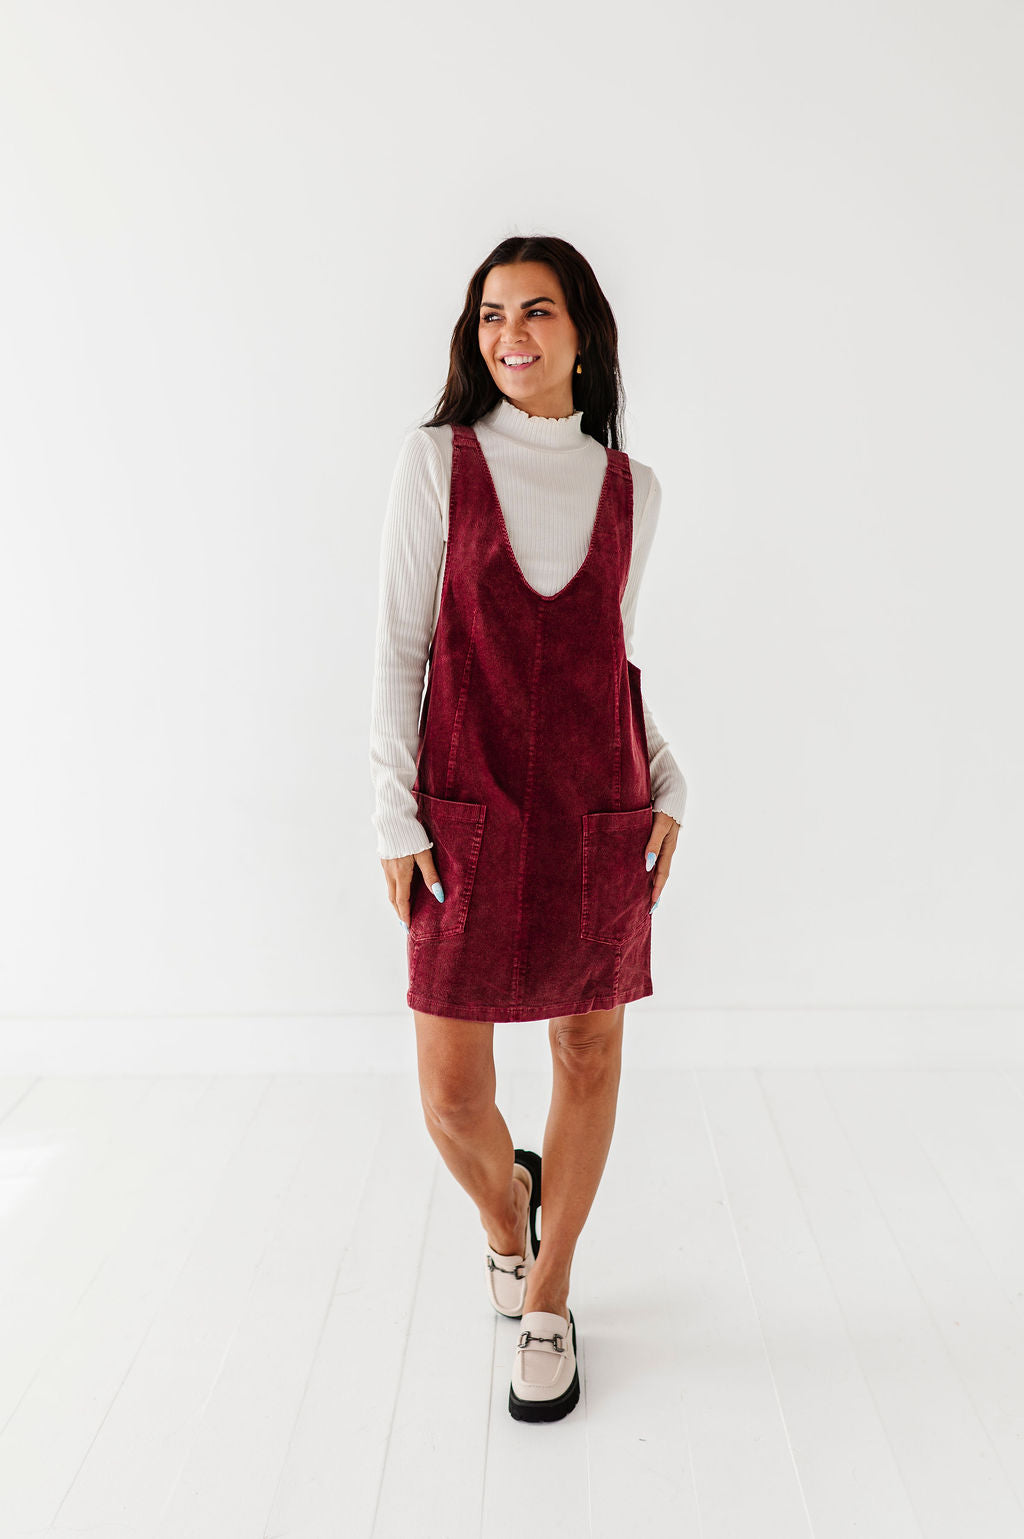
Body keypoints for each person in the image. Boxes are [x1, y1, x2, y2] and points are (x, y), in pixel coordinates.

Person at [369, 234, 688, 1421]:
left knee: (586, 1053)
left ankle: (548, 1292)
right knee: (453, 1095)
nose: (511, 334)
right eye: (492, 313)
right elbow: (399, 646)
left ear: (583, 334)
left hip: (599, 810)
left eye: (537, 311)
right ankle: (509, 1212)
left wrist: (669, 781)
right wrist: (391, 811)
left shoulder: (631, 489)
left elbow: (612, 659)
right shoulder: (436, 462)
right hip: (459, 814)